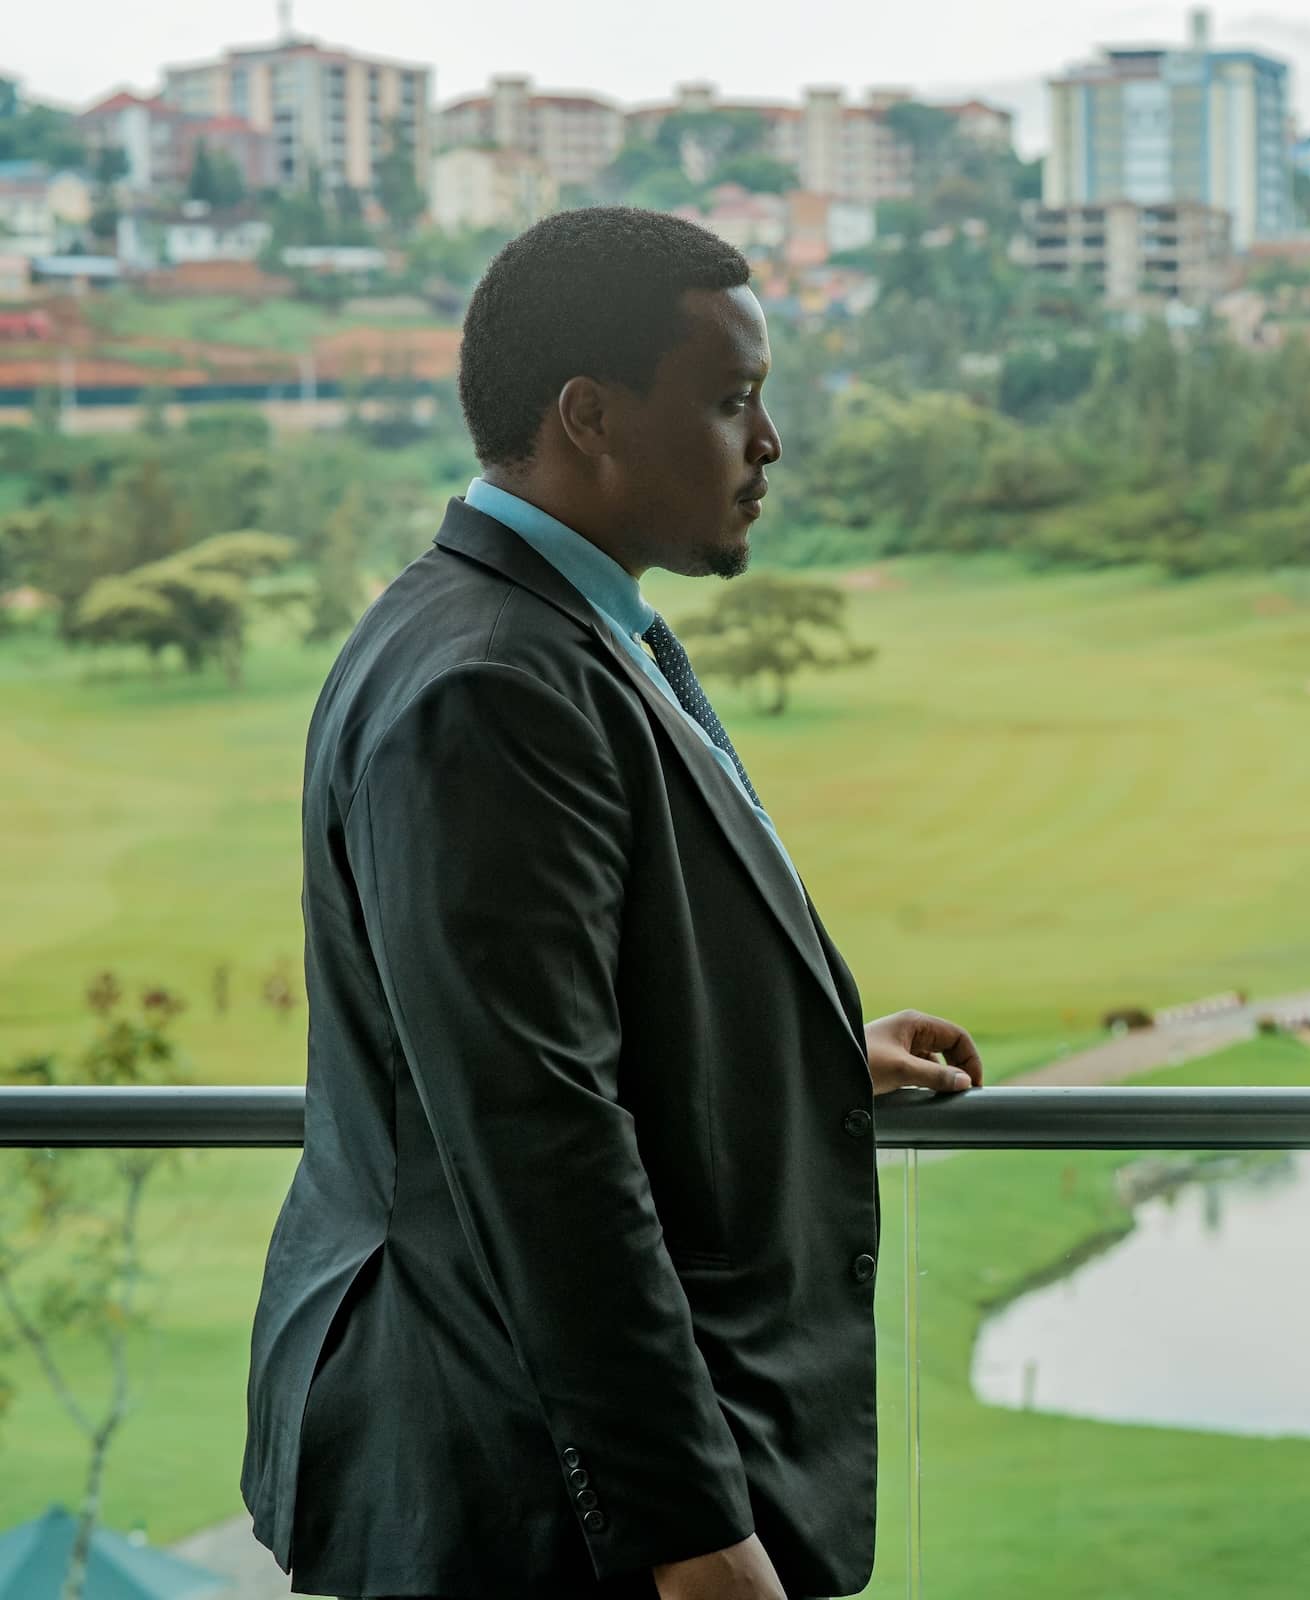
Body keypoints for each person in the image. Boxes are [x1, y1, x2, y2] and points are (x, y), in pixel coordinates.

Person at [241, 208, 983, 1600]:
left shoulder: (549, 631)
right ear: (589, 417)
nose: (767, 445)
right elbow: (540, 1144)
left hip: (536, 1476)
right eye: (731, 403)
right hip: (526, 1504)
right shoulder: (490, 688)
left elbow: (579, 1015)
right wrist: (692, 1541)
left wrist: (802, 1061)